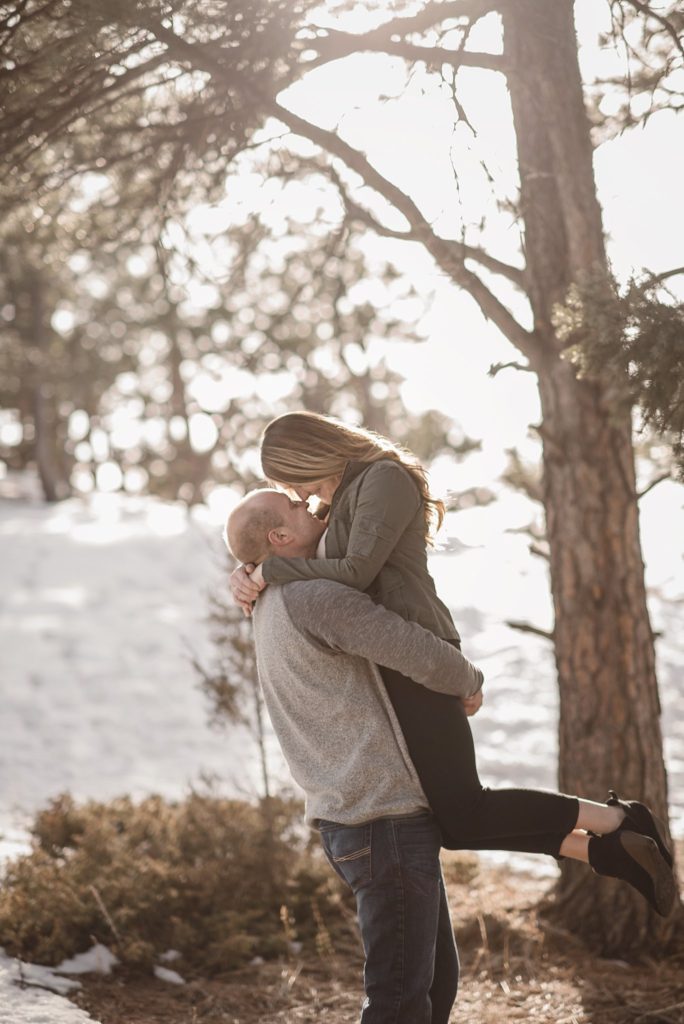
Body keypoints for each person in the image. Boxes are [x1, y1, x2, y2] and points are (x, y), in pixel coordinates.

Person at [229, 412, 675, 918]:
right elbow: (284, 542)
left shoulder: (384, 478)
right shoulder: (336, 501)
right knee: (458, 824)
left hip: (421, 650)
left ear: (310, 455)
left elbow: (353, 572)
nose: (299, 493)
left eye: (293, 480)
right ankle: (605, 848)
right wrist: (248, 569)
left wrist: (268, 569)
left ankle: (618, 821)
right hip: (391, 659)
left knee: (466, 811)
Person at [226, 487, 486, 1023]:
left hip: (360, 818)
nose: (312, 507)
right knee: (399, 1001)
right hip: (382, 820)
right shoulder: (317, 597)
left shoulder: (269, 604)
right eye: (297, 508)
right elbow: (414, 651)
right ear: (280, 537)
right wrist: (469, 680)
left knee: (432, 988)